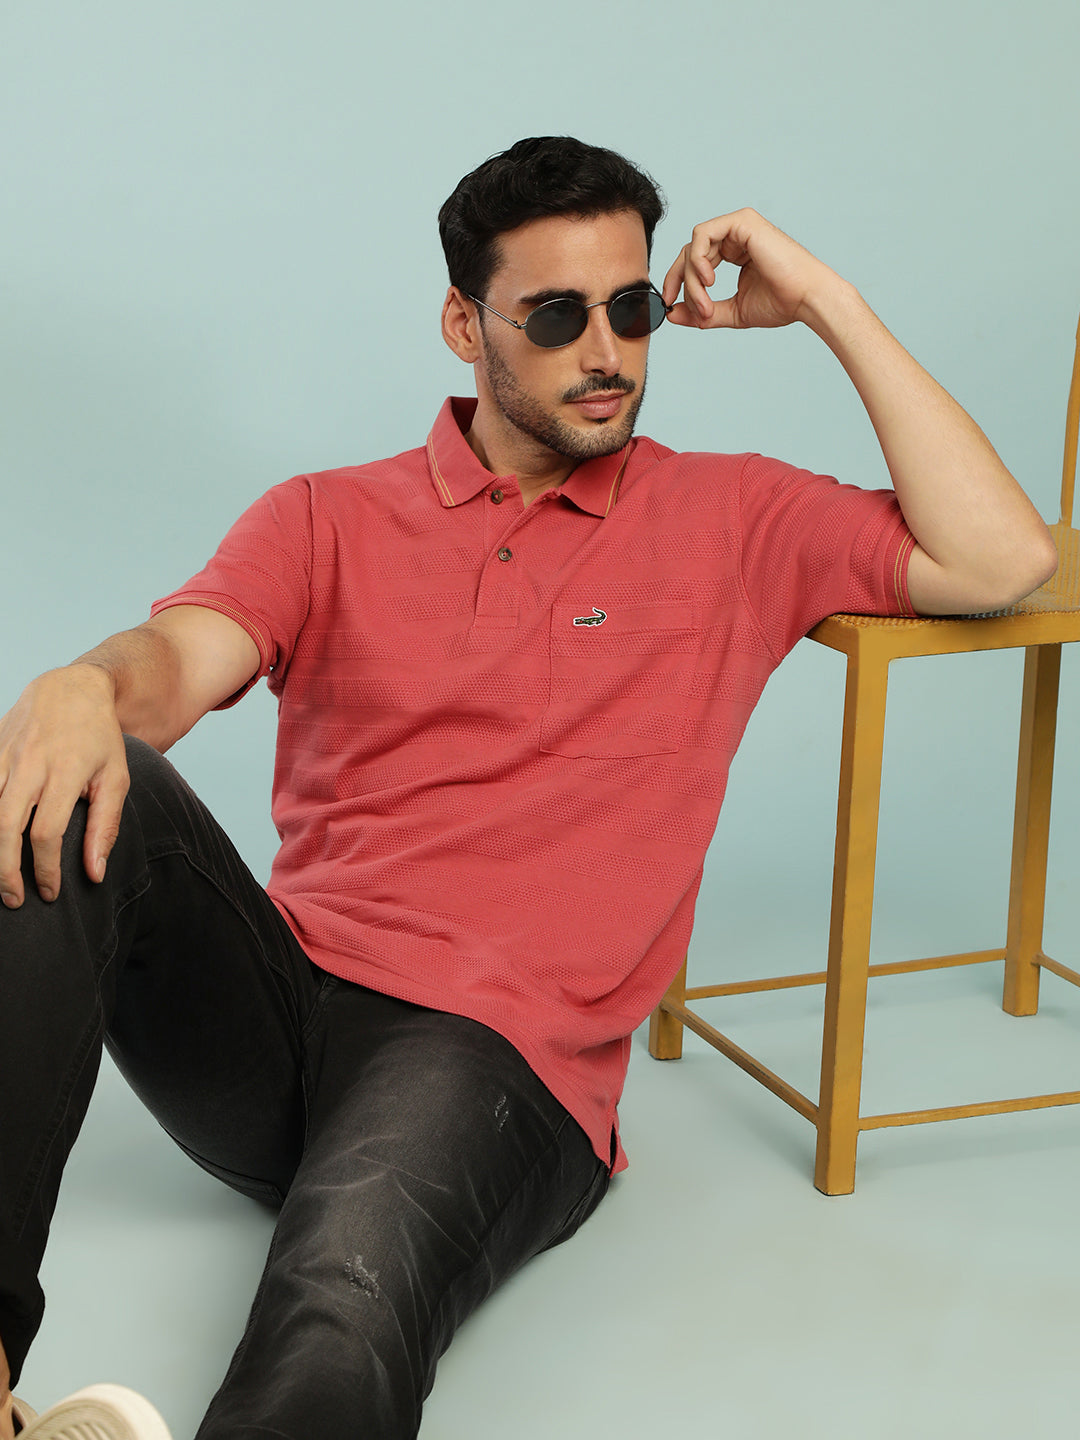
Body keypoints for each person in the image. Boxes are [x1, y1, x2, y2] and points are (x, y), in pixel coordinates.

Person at [0, 135, 1057, 1440]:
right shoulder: (325, 516)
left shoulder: (736, 520)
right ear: (466, 325)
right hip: (284, 1011)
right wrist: (84, 686)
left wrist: (827, 301)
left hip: (496, 1054)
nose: (607, 352)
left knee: (340, 1305)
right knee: (68, 776)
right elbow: (170, 668)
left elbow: (1002, 557)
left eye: (632, 309)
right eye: (556, 316)